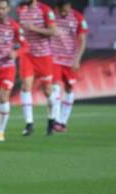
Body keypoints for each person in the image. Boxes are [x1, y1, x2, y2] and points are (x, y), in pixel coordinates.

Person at [0, 0, 27, 141]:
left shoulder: (14, 26)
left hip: (7, 67)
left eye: (3, 8)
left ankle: (0, 132)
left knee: (3, 97)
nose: (0, 11)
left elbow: (25, 46)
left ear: (8, 9)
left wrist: (16, 53)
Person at [17, 0, 58, 136]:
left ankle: (51, 120)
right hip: (27, 54)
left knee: (47, 91)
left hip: (43, 55)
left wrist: (35, 29)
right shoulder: (21, 10)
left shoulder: (45, 10)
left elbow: (54, 31)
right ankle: (29, 124)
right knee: (25, 87)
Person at [51, 0, 88, 132]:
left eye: (64, 7)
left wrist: (77, 59)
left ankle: (63, 121)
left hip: (70, 60)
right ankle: (54, 120)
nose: (62, 11)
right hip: (54, 58)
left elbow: (83, 40)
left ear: (69, 5)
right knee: (54, 88)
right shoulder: (51, 16)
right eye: (59, 8)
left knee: (69, 89)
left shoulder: (78, 18)